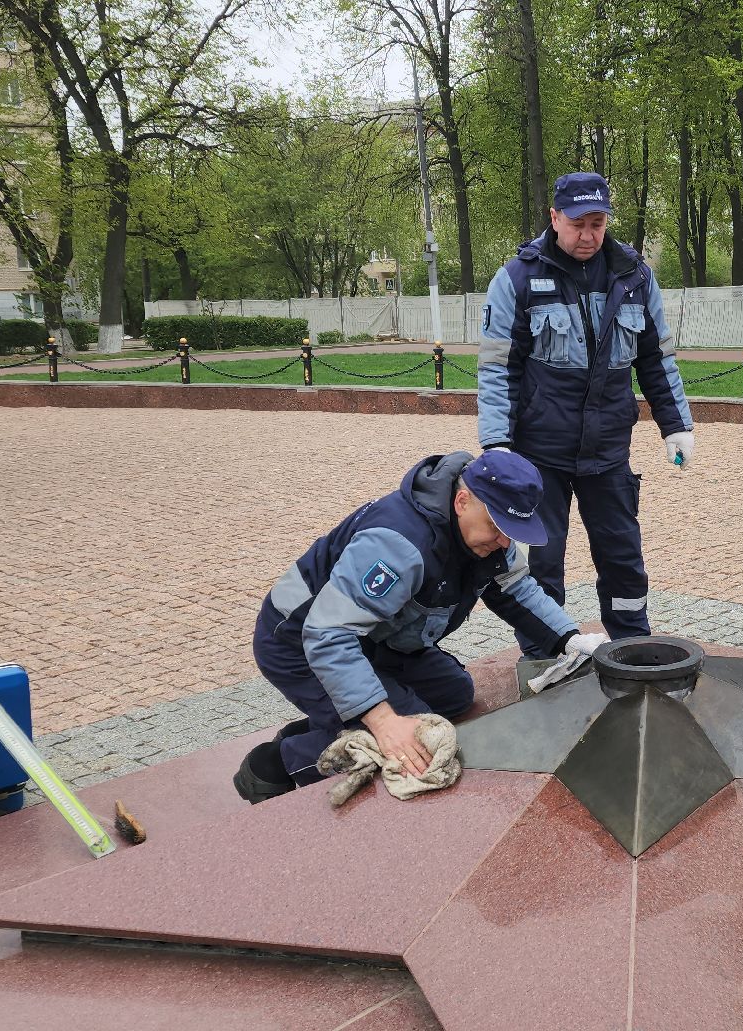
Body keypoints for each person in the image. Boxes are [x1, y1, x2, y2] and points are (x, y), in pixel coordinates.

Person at [234, 449, 606, 803]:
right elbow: (329, 634)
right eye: (497, 526)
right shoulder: (399, 545)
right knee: (413, 741)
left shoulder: (485, 532)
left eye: (512, 528)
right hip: (300, 642)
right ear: (462, 502)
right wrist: (383, 722)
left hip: (378, 636)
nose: (505, 541)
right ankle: (275, 764)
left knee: (455, 695)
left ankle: (328, 722)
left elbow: (516, 590)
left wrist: (571, 641)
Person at [476, 172, 696, 657]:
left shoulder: (633, 275)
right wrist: (496, 443)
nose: (588, 235)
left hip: (608, 451)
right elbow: (497, 369)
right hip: (539, 455)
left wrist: (676, 425)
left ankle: (632, 644)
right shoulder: (517, 278)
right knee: (542, 561)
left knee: (622, 555)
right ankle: (544, 652)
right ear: (554, 218)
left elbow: (656, 359)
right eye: (577, 224)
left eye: (597, 224)